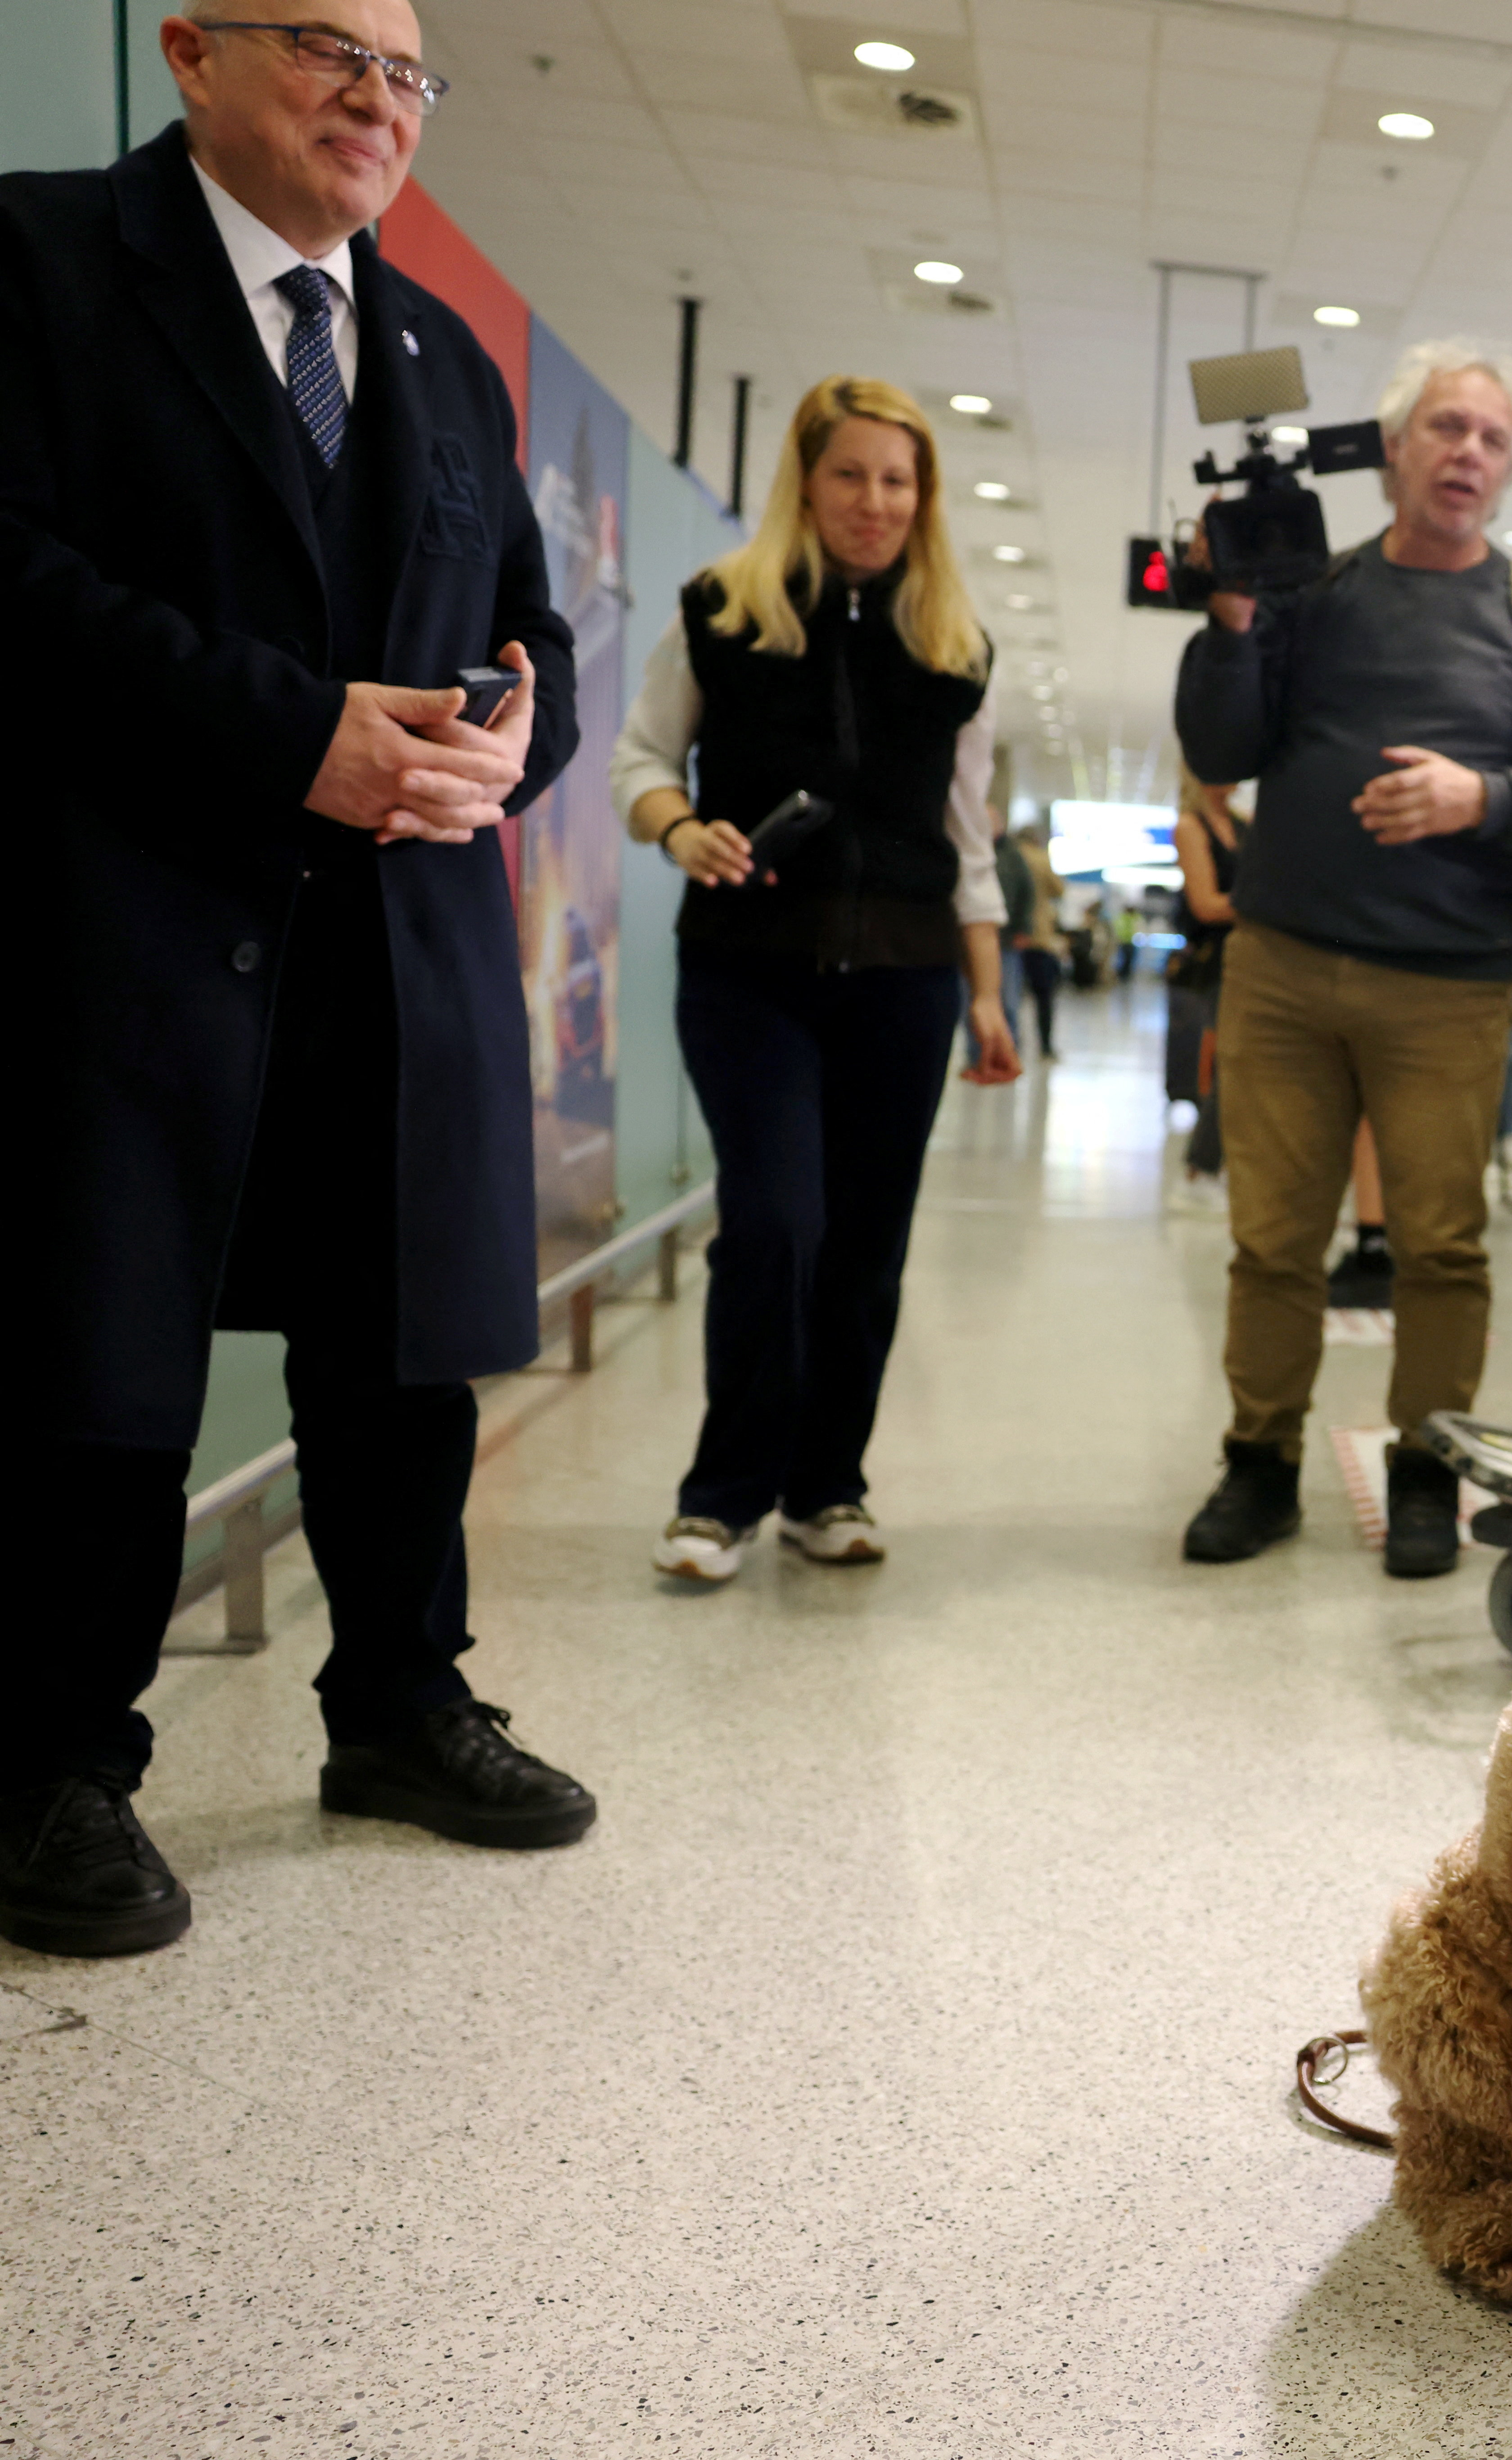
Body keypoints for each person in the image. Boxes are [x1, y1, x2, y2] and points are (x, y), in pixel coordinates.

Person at [1, 0, 599, 1956]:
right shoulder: (41, 262)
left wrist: (524, 738)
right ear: (189, 51)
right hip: (127, 929)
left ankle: (403, 1705)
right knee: (102, 1358)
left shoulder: (432, 355)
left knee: (398, 1344)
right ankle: (49, 1766)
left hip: (399, 940)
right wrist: (291, 735)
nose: (376, 99)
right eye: (328, 49)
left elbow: (525, 627)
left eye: (409, 75)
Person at [1169, 337, 1512, 1578]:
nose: (1467, 452)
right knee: (1273, 1240)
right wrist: (1226, 615)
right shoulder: (1309, 595)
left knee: (1440, 1246)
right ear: (1391, 452)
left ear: (1509, 468)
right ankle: (1258, 1464)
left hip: (1449, 987)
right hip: (1280, 969)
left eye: (1490, 437)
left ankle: (1428, 1471)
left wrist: (1477, 797)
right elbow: (1219, 747)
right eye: (1445, 428)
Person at [613, 375, 1021, 1585]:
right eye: (850, 474)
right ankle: (720, 1496)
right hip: (750, 975)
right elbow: (642, 757)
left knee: (864, 1247)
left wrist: (989, 997)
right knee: (777, 1223)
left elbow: (971, 842)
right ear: (807, 480)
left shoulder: (955, 646)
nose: (875, 501)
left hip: (904, 982)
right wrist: (682, 830)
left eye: (899, 480)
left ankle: (825, 1486)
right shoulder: (722, 614)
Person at [1165, 771, 1237, 1214]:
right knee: (1228, 1064)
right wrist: (1266, 902)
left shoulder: (1245, 824)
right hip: (1217, 962)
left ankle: (1213, 1163)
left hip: (1254, 958)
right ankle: (1200, 1166)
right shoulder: (1192, 826)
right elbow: (1205, 904)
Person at [1004, 817, 1065, 1060]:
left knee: (1010, 995)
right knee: (1044, 995)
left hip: (1009, 936)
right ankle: (1046, 1046)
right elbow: (1059, 890)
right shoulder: (1041, 859)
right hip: (1039, 937)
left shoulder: (1009, 857)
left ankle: (1010, 1046)